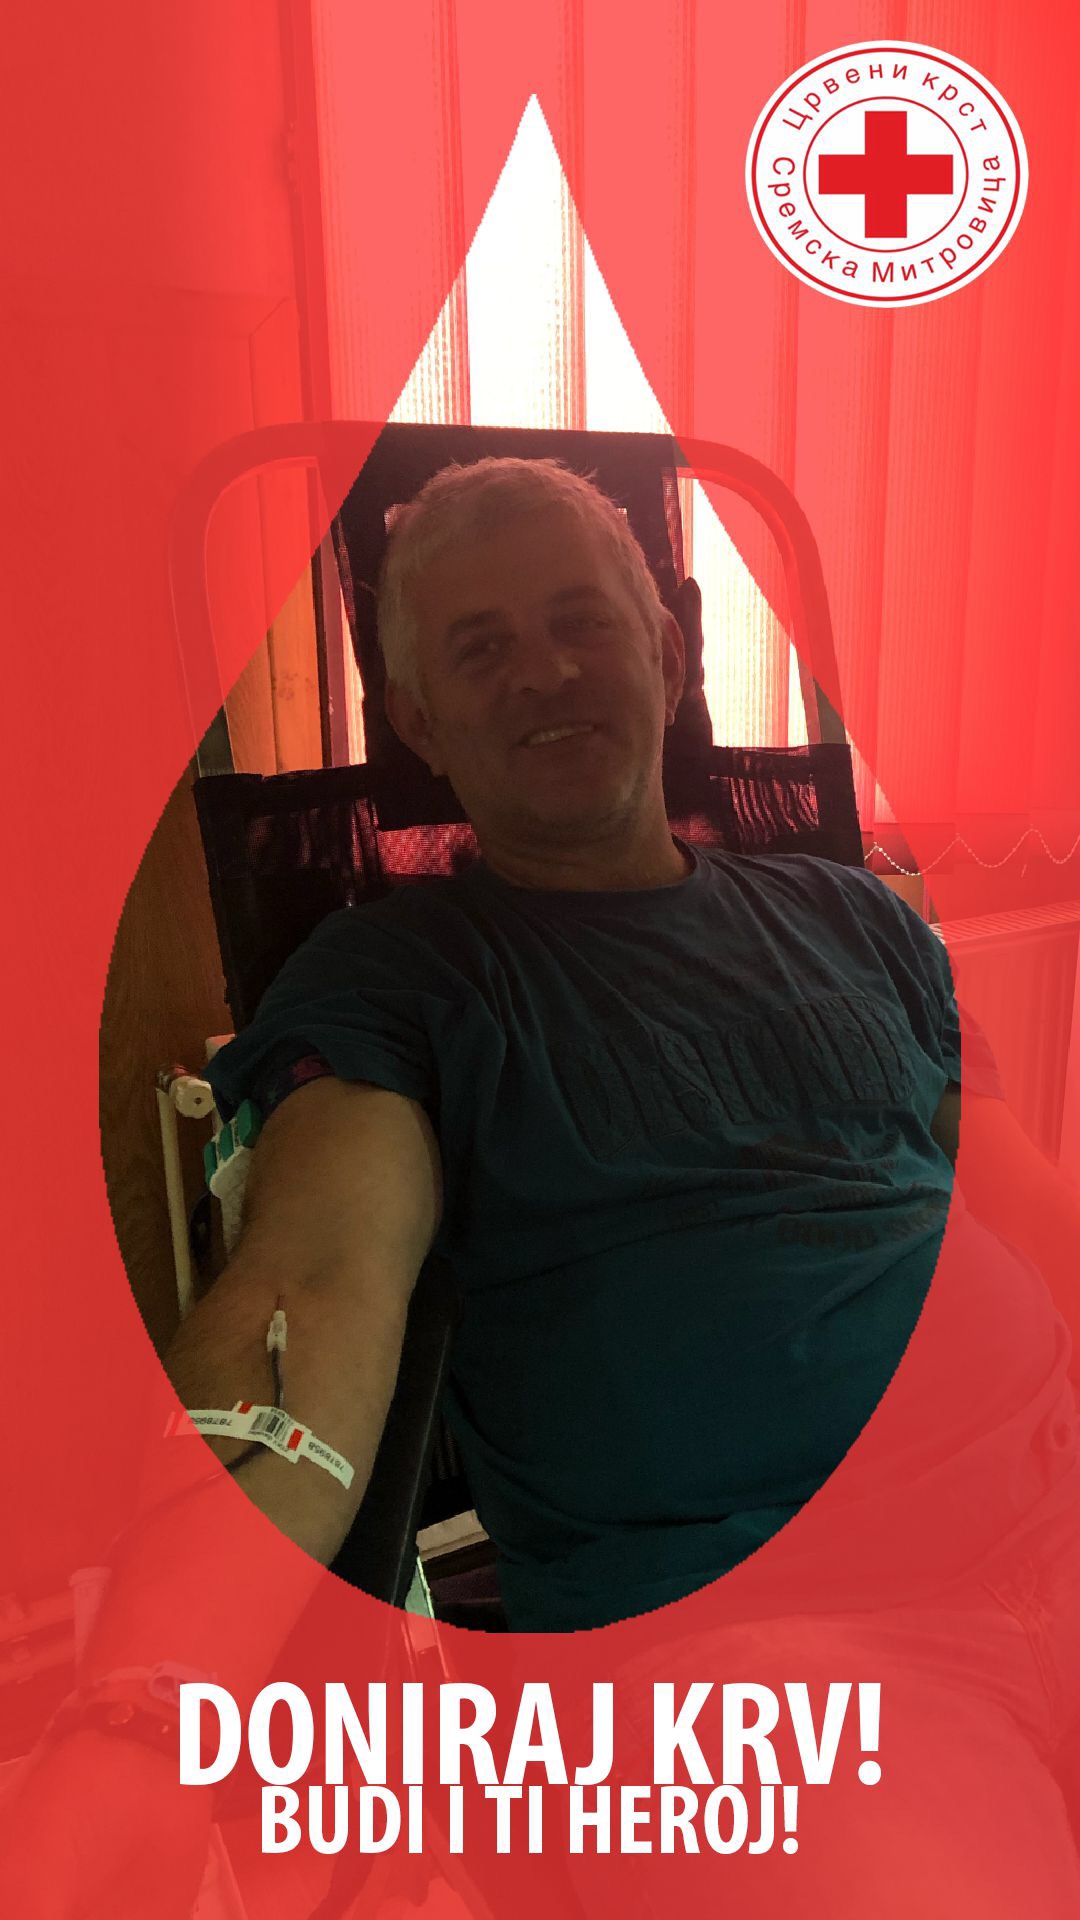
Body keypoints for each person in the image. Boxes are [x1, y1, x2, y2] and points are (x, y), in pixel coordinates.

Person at [4, 457, 1078, 1919]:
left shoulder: (856, 919)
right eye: (481, 646)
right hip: (786, 1654)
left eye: (582, 619)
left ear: (672, 649)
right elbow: (308, 1292)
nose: (545, 673)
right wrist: (141, 1717)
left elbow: (1024, 1220)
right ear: (421, 722)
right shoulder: (398, 984)